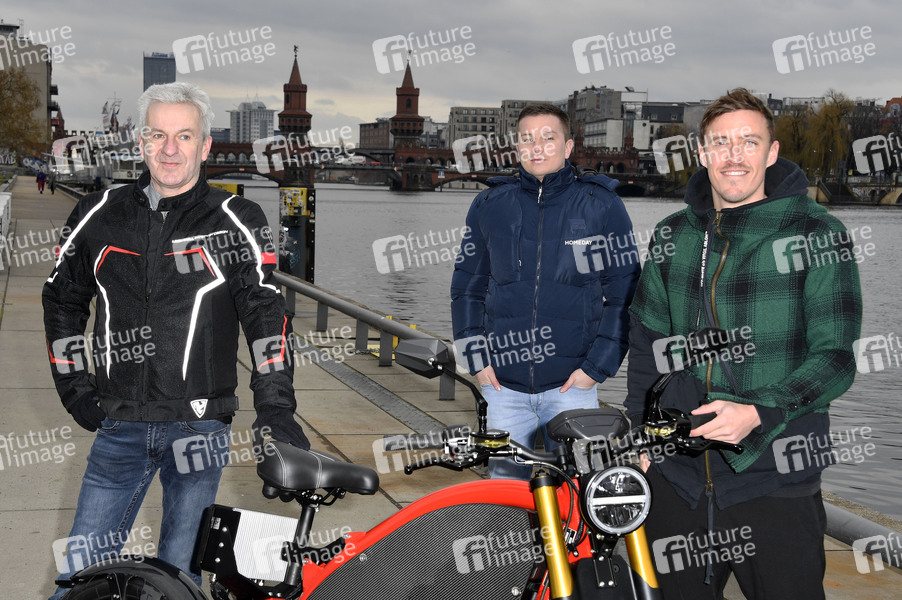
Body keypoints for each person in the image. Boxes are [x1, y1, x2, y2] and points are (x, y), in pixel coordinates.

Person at [43, 82, 310, 594]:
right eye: (158, 135)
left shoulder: (237, 219)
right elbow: (61, 300)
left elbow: (266, 315)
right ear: (141, 142)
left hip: (199, 430)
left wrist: (276, 411)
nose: (170, 149)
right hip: (118, 425)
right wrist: (73, 385)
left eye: (184, 136)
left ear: (204, 146)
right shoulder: (98, 213)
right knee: (76, 582)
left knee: (180, 584)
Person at [624, 88, 862, 599]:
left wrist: (758, 411)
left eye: (749, 142)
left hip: (776, 477)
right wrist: (643, 435)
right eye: (721, 143)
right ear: (703, 153)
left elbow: (836, 359)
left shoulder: (818, 234)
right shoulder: (672, 235)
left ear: (771, 153)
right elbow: (647, 345)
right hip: (677, 479)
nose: (735, 156)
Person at [451, 103, 640, 479]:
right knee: (504, 498)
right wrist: (477, 361)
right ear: (517, 147)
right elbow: (466, 289)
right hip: (503, 387)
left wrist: (594, 370)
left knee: (578, 493)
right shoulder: (490, 205)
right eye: (527, 138)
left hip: (573, 387)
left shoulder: (601, 205)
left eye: (548, 138)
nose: (536, 147)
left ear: (567, 147)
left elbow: (626, 295)